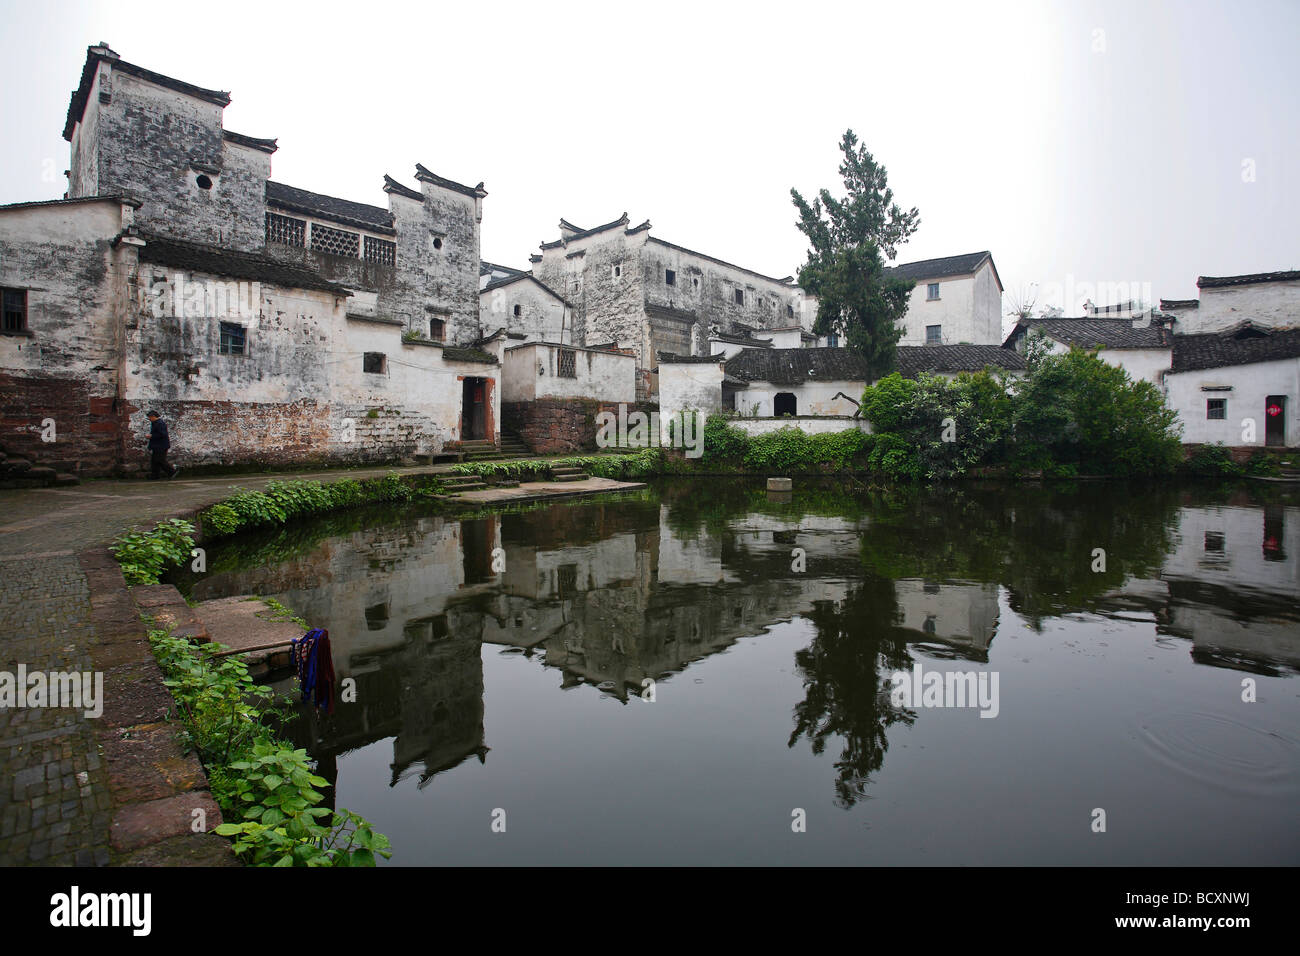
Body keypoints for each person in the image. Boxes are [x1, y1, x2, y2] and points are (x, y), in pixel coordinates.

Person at [145, 410, 180, 480]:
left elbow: (163, 434)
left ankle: (172, 472)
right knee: (154, 461)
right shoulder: (155, 423)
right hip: (157, 445)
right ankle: (155, 476)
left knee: (160, 460)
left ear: (153, 416)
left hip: (161, 445)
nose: (149, 419)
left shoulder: (160, 423)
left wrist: (151, 436)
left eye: (150, 417)